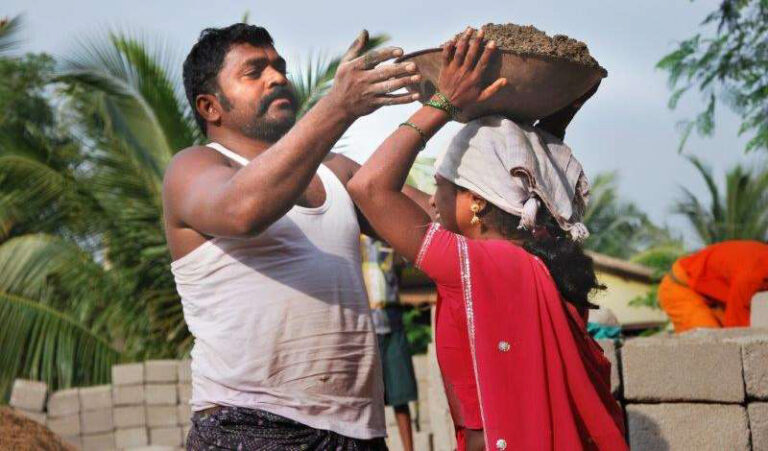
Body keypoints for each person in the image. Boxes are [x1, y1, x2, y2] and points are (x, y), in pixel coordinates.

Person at [348, 27, 627, 450]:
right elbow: (535, 173)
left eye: (441, 186)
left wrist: (446, 101)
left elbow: (369, 185)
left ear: (474, 201)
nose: (433, 202)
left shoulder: (471, 265)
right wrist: (558, 114)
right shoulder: (550, 257)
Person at [163, 23, 432, 450]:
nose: (277, 77)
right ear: (210, 107)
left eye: (279, 67)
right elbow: (243, 210)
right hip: (250, 428)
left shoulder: (336, 171)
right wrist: (338, 107)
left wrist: (448, 106)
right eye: (254, 72)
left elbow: (440, 226)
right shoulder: (193, 168)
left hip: (358, 433)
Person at [360, 236, 418, 451]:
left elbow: (406, 263)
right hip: (366, 327)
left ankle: (408, 448)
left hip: (392, 321)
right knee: (370, 401)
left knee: (400, 396)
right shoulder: (354, 237)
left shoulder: (387, 237)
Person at [658, 240, 768, 333]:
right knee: (712, 344)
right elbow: (736, 331)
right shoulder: (754, 273)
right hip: (681, 287)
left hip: (711, 297)